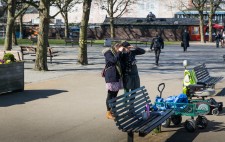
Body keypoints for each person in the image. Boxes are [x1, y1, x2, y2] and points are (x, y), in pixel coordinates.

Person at [102, 43, 124, 119]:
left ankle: (113, 110)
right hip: (111, 76)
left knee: (115, 94)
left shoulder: (117, 53)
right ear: (116, 47)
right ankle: (108, 112)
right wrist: (119, 52)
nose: (120, 49)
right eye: (119, 48)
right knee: (110, 94)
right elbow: (114, 60)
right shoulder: (108, 53)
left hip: (117, 76)